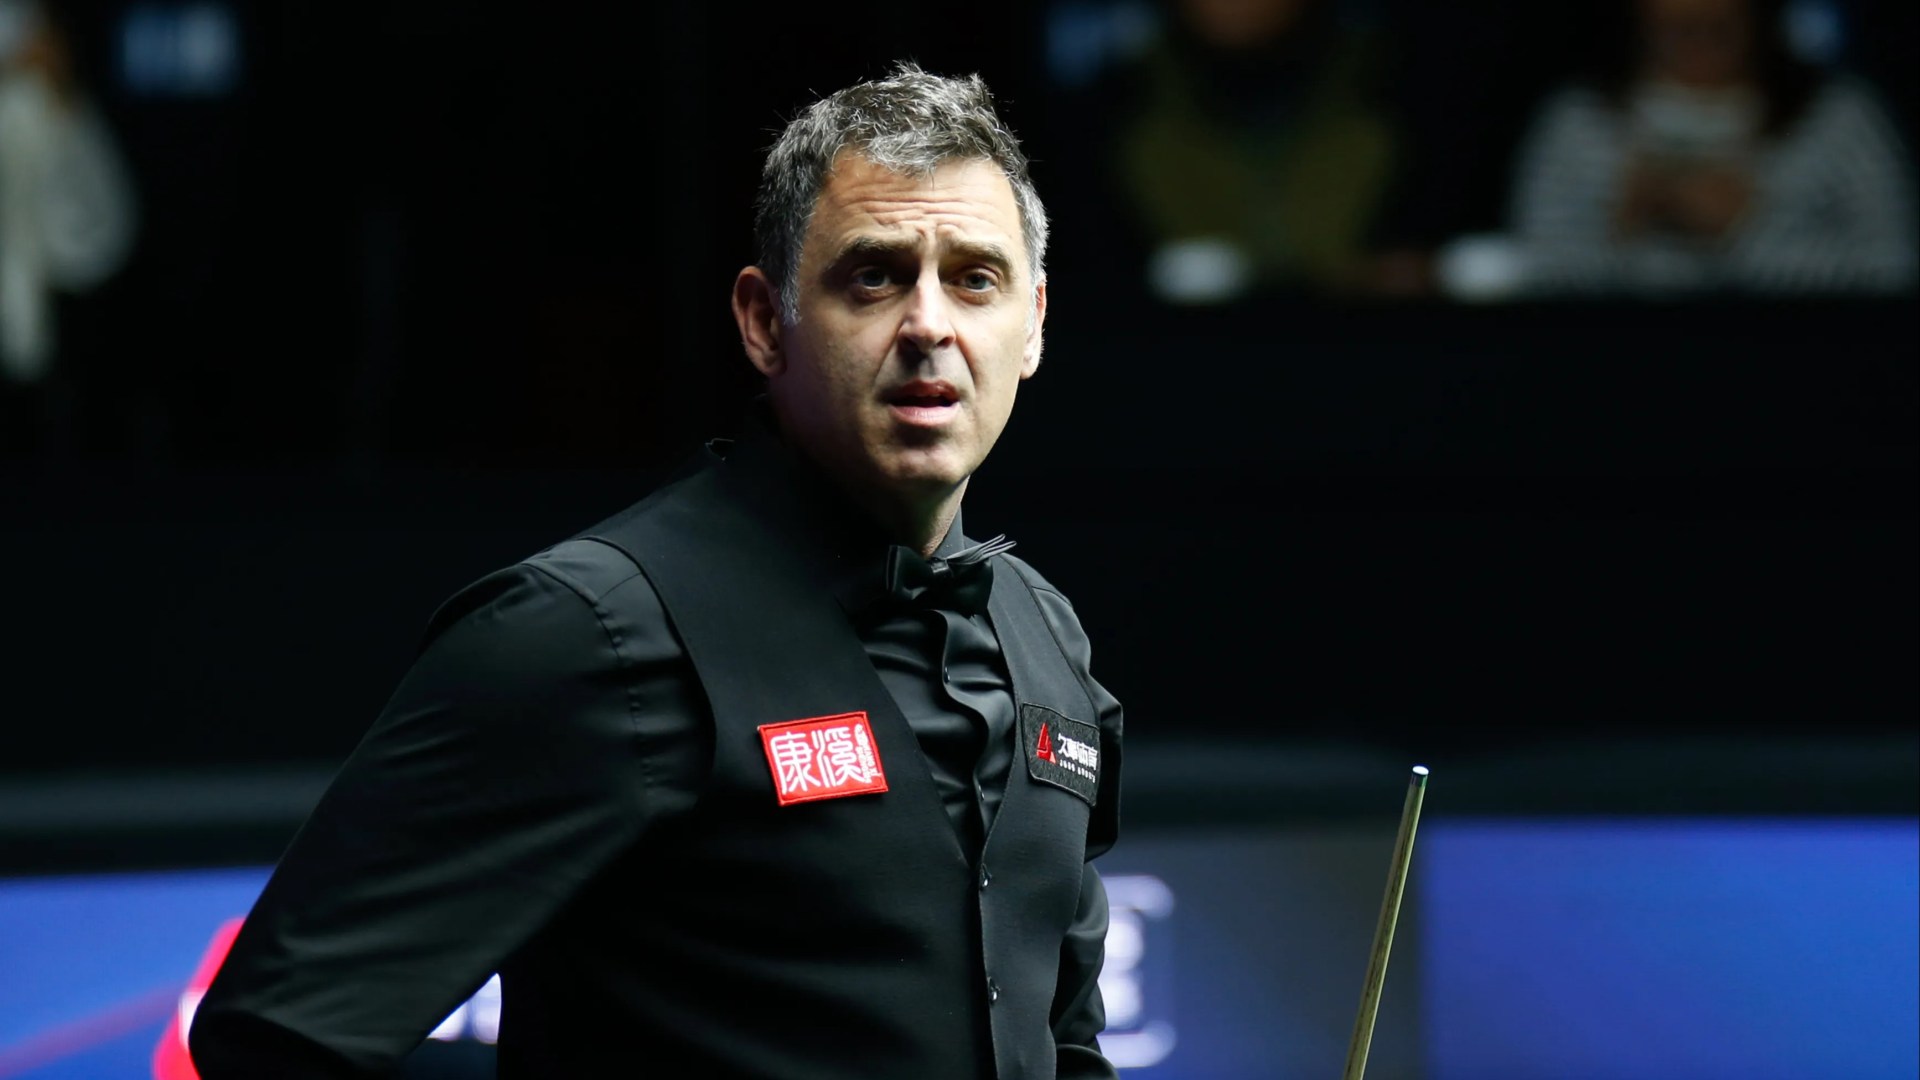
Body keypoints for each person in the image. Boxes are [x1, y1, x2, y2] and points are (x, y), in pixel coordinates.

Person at [188, 62, 1124, 1080]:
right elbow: (275, 1038)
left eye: (975, 278)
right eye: (873, 276)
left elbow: (1064, 1044)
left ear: (1033, 323)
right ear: (764, 321)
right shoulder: (583, 633)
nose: (930, 324)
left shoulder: (1045, 636)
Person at [1504, 0, 1916, 296]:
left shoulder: (1838, 117)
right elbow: (1538, 278)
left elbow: (1896, 270)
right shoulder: (1580, 123)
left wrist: (1746, 232)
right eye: (1678, 30)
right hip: (1624, 371)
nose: (1695, 39)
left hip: (1808, 369)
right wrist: (1623, 231)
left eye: (1717, 29)